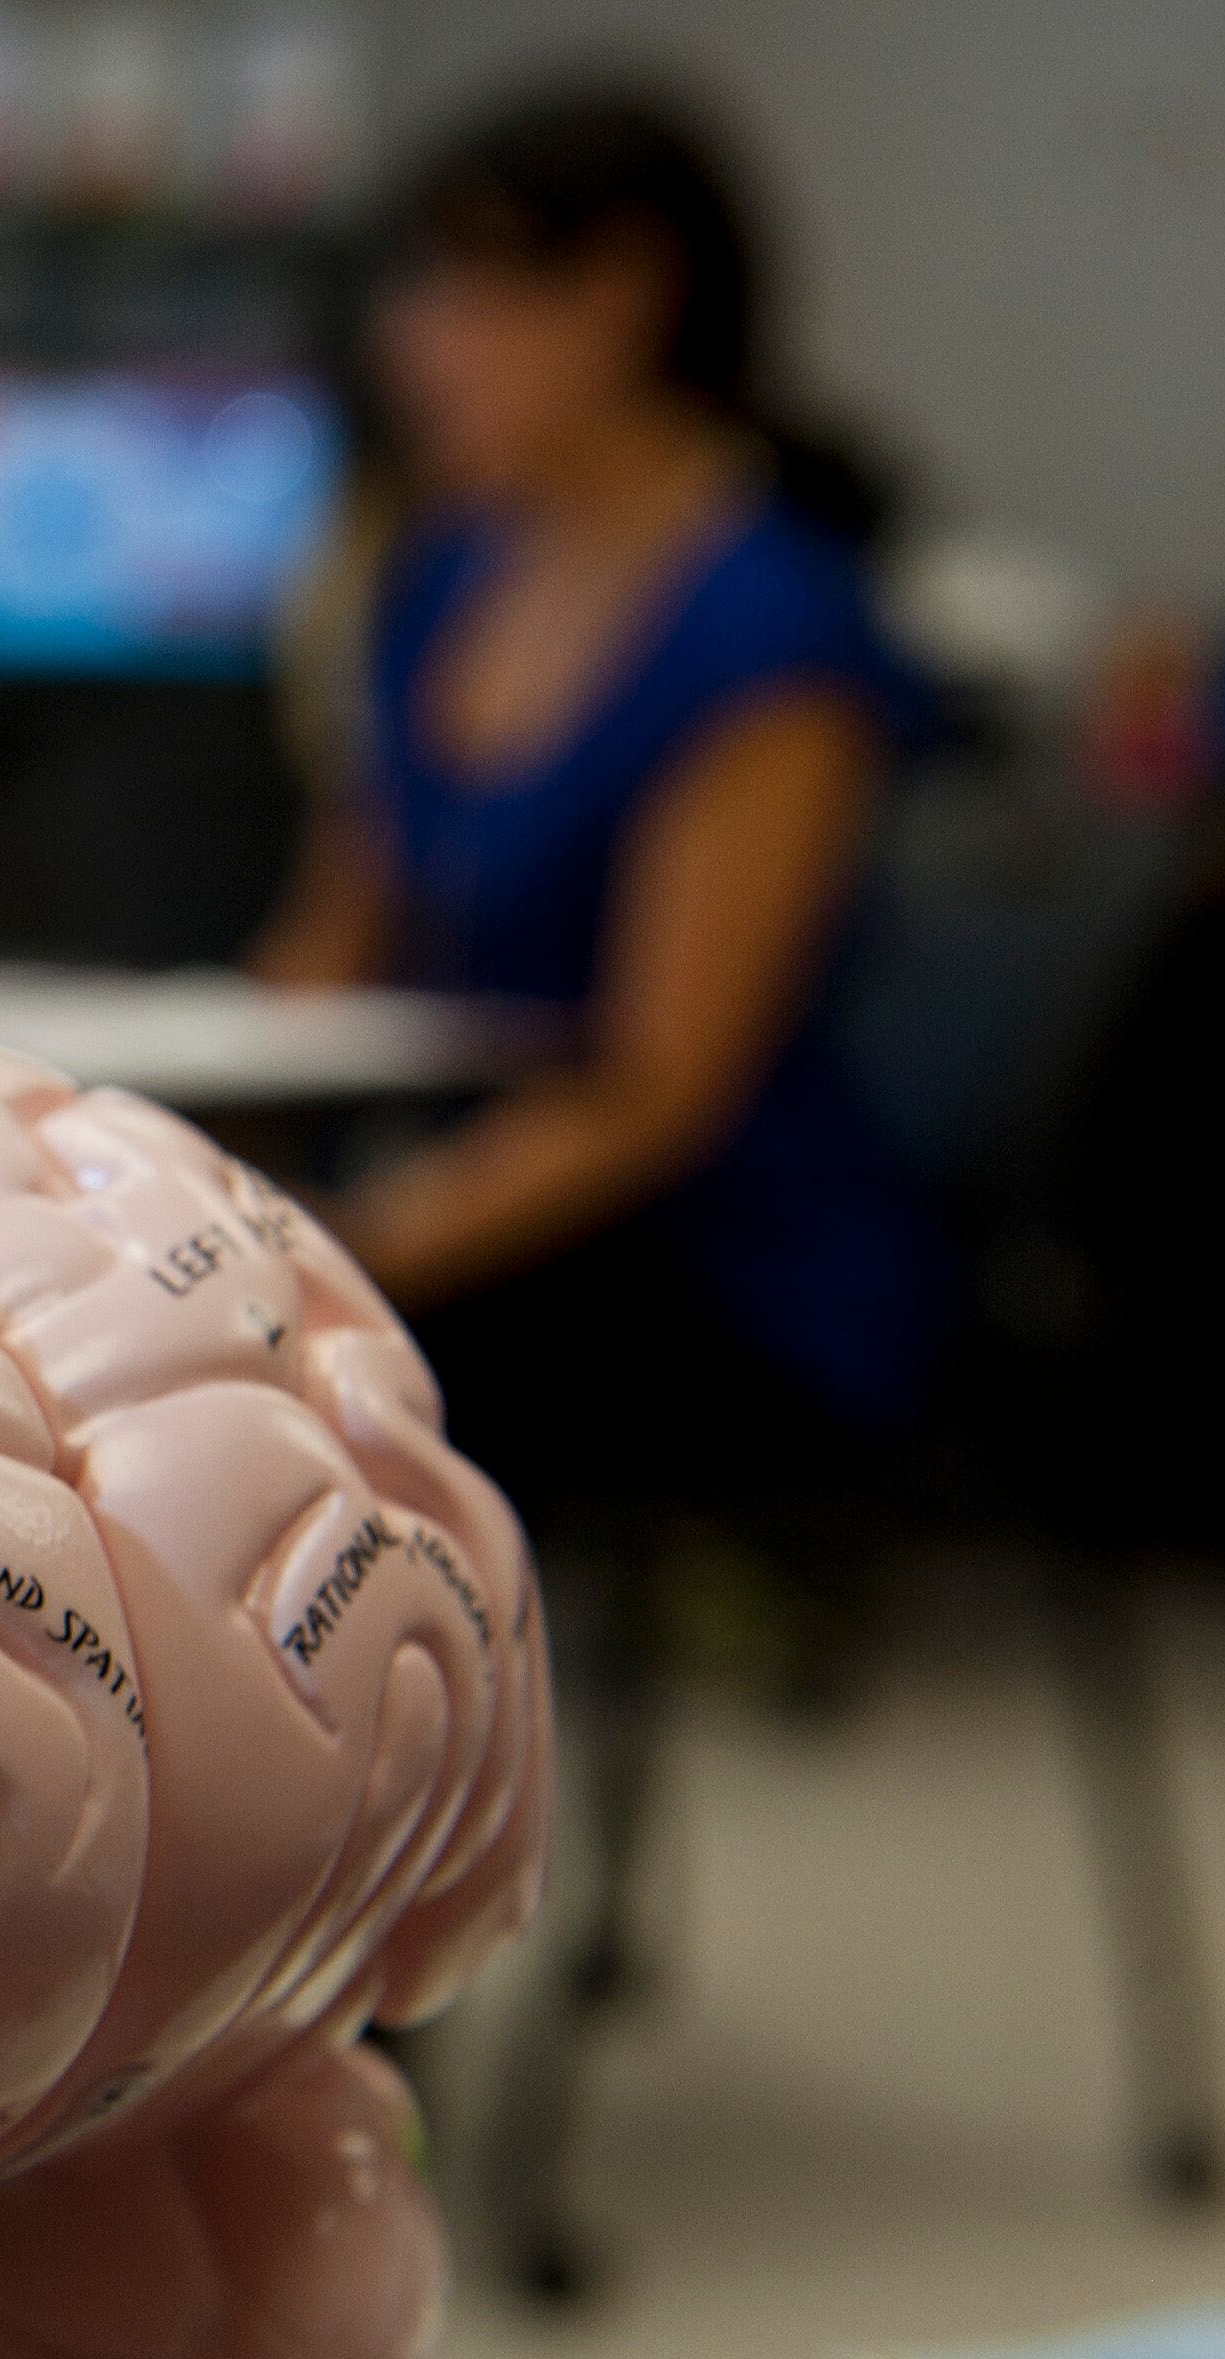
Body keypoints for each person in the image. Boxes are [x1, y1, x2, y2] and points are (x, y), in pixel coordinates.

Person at [248, 86, 943, 1526]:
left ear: (625, 295)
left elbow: (655, 1094)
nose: (411, 337)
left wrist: (339, 1254)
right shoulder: (447, 571)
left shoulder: (770, 629)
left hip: (699, 1258)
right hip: (479, 1191)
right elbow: (330, 942)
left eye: (464, 286)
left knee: (242, 1404)